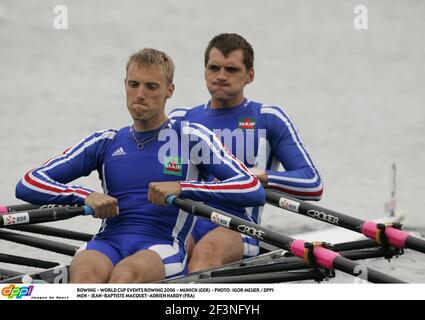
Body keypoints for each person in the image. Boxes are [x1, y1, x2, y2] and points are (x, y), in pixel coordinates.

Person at [15, 48, 265, 283]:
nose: (140, 94)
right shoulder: (106, 142)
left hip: (162, 245)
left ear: (169, 90)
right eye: (133, 84)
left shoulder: (191, 137)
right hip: (108, 241)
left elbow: (251, 188)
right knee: (83, 273)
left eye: (151, 86)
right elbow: (28, 184)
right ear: (125, 85)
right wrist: (83, 195)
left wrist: (182, 188)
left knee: (125, 275)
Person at [169, 33, 323, 272]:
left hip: (239, 227)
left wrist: (263, 177)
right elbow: (162, 177)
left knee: (205, 254)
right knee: (154, 254)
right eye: (214, 68)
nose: (221, 76)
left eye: (231, 69)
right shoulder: (180, 119)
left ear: (249, 75)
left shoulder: (268, 119)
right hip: (188, 221)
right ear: (205, 71)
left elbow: (312, 185)